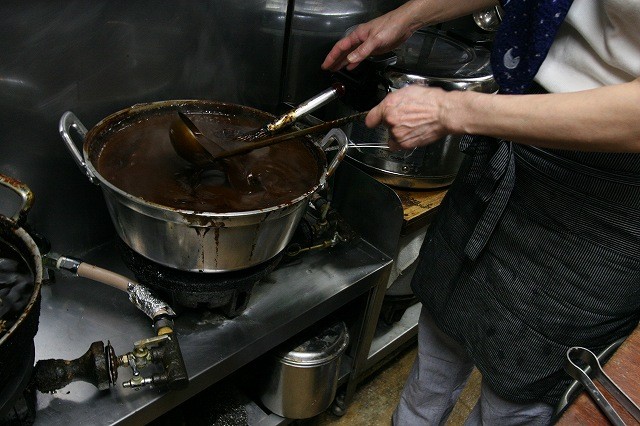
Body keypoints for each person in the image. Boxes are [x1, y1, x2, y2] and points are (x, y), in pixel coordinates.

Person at [322, 0, 640, 424]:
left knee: (518, 386)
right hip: (513, 119)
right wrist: (408, 17)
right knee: (443, 321)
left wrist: (451, 109)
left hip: (608, 187)